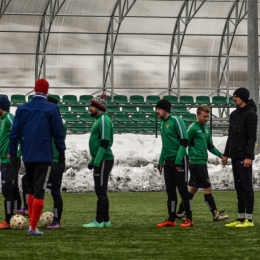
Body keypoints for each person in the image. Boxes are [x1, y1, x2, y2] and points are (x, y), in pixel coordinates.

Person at [9, 78, 66, 236]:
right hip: (44, 155)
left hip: (28, 154)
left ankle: (32, 225)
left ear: (34, 90)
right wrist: (61, 151)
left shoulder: (22, 108)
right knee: (39, 190)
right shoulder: (51, 108)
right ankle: (33, 227)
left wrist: (12, 152)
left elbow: (14, 133)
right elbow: (58, 133)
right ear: (47, 91)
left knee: (32, 188)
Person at [176, 105, 229, 222]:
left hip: (201, 163)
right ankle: (215, 214)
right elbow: (184, 143)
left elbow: (210, 146)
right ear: (198, 115)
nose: (206, 118)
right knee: (208, 188)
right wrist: (179, 159)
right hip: (196, 163)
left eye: (208, 116)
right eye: (204, 116)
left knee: (193, 188)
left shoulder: (206, 129)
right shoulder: (193, 129)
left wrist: (221, 155)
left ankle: (180, 212)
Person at [222, 87, 257, 228]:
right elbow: (230, 137)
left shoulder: (251, 114)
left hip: (244, 157)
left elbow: (252, 137)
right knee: (238, 187)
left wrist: (249, 156)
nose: (234, 99)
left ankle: (249, 219)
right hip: (235, 157)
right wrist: (226, 154)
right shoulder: (234, 115)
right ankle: (240, 218)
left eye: (236, 96)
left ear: (242, 97)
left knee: (247, 186)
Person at [156, 99, 193, 228]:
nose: (156, 111)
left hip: (180, 161)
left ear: (165, 109)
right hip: (168, 162)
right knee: (170, 191)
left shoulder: (176, 120)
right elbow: (165, 145)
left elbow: (184, 140)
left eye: (158, 108)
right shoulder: (162, 123)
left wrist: (178, 159)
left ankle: (189, 219)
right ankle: (171, 219)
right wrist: (161, 161)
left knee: (183, 190)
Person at [82, 94, 114, 228]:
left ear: (98, 107)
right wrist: (93, 159)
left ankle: (99, 221)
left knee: (100, 191)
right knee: (101, 190)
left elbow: (105, 142)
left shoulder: (103, 120)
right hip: (100, 160)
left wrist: (97, 161)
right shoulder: (99, 119)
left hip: (103, 161)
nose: (89, 108)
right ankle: (106, 220)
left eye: (91, 106)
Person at [0, 96, 22, 229]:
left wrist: (17, 153)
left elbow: (20, 134)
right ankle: (16, 216)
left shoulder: (9, 117)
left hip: (10, 160)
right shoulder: (2, 120)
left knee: (7, 189)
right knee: (12, 189)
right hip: (4, 160)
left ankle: (8, 220)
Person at [46, 96, 67, 229]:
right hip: (45, 159)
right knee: (32, 186)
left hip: (56, 160)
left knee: (55, 191)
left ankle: (57, 220)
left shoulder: (60, 121)